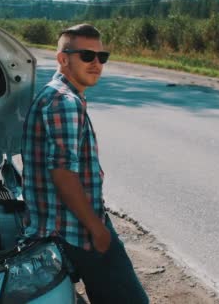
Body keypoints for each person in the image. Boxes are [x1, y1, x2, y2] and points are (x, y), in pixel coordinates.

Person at [21, 24, 149, 303]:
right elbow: (63, 173)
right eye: (87, 56)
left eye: (101, 57)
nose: (96, 64)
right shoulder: (64, 102)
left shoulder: (56, 95)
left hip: (63, 225)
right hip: (75, 230)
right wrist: (97, 228)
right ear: (63, 59)